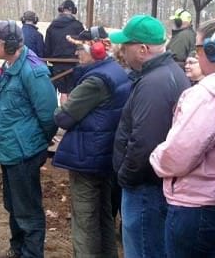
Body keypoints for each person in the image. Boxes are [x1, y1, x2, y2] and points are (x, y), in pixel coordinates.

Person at [149, 17, 215, 258]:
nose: (196, 55)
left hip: (196, 205)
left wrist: (156, 158)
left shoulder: (207, 95)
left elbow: (179, 154)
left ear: (213, 50)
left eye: (198, 49)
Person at [110, 15, 190, 258]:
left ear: (143, 49)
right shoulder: (169, 72)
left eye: (126, 46)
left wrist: (125, 176)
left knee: (144, 249)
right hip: (155, 184)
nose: (122, 52)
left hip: (145, 188)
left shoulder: (154, 83)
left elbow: (145, 143)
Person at [0, 20, 57, 258]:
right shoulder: (9, 65)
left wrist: (36, 143)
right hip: (10, 149)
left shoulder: (32, 71)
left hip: (25, 151)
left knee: (28, 210)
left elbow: (49, 115)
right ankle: (18, 249)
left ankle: (31, 254)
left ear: (12, 44)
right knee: (13, 205)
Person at [52, 26, 131, 258]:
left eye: (79, 49)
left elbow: (64, 116)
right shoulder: (116, 70)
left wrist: (57, 109)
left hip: (87, 157)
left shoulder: (95, 80)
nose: (76, 54)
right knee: (104, 216)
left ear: (96, 50)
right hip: (106, 155)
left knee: (85, 221)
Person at [44, 0, 85, 105]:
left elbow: (47, 48)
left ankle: (62, 116)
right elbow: (83, 43)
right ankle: (69, 117)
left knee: (63, 92)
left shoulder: (52, 26)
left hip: (57, 64)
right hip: (73, 63)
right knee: (72, 92)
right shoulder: (78, 26)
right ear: (73, 11)